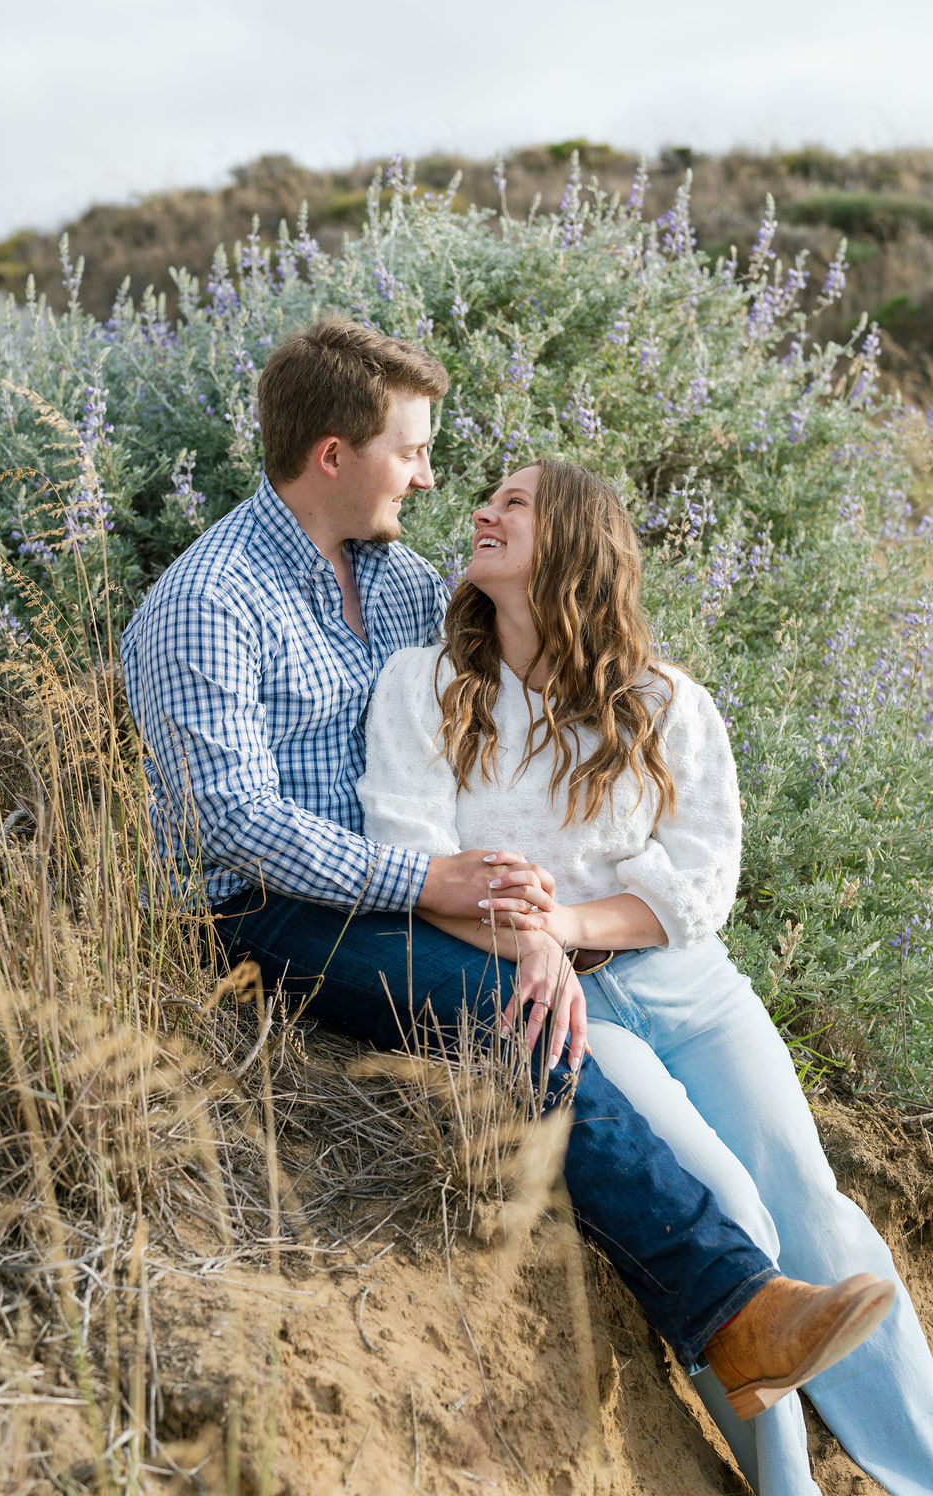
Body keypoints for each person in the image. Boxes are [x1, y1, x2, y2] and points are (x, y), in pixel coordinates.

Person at [120, 318, 892, 1452]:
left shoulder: (393, 583)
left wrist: (523, 900)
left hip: (407, 892)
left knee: (535, 1006)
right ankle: (731, 1308)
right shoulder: (209, 601)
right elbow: (229, 821)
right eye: (412, 449)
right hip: (252, 913)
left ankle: (775, 1336)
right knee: (502, 1014)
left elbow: (488, 721)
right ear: (333, 455)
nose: (431, 477)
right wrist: (433, 881)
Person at [357, 456, 933, 1496]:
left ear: (573, 540)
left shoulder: (664, 700)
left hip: (685, 985)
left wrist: (563, 921)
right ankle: (787, 1488)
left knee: (807, 1199)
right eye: (487, 498)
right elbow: (414, 862)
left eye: (513, 502)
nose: (482, 511)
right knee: (732, 1213)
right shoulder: (421, 688)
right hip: (553, 1001)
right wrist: (533, 944)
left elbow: (701, 884)